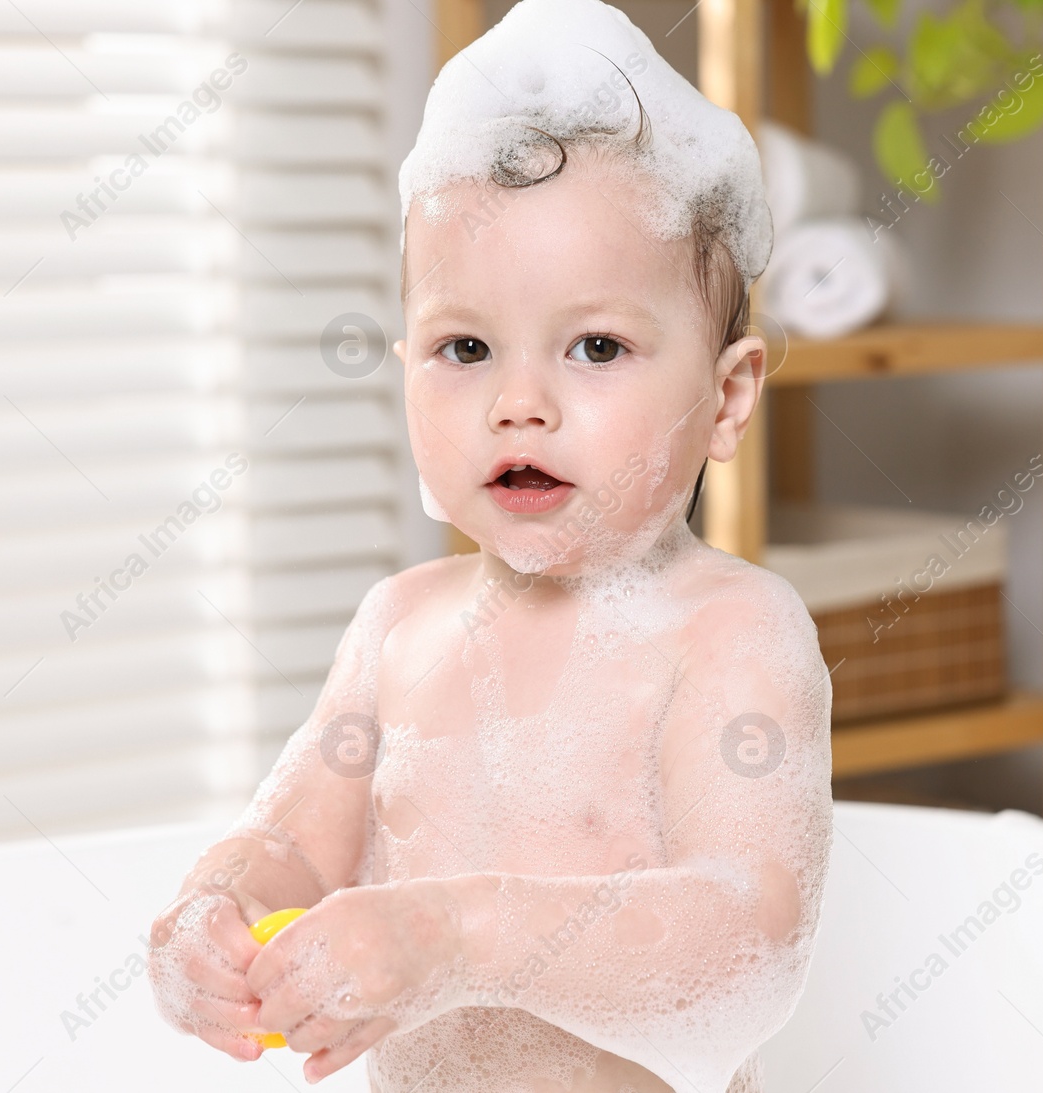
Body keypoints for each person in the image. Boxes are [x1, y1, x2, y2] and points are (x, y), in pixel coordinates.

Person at [149, 2, 834, 1088]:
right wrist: (214, 911)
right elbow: (290, 846)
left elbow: (746, 941)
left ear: (726, 396)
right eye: (463, 345)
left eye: (596, 345)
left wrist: (456, 935)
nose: (520, 401)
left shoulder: (729, 635)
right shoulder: (398, 627)